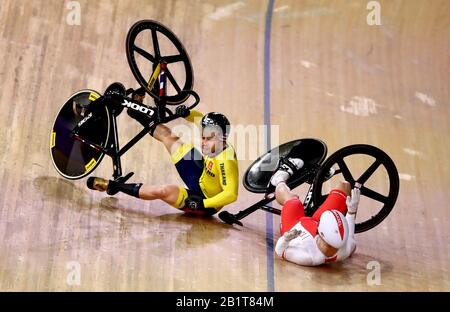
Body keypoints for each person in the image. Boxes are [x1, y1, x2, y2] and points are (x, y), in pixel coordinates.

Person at [87, 89, 239, 217]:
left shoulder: (226, 161)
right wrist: (186, 113)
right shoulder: (214, 133)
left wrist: (204, 203)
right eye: (202, 137)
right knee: (168, 135)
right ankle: (137, 113)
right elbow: (198, 118)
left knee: (163, 191)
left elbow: (231, 194)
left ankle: (113, 186)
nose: (203, 142)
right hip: (200, 175)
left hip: (205, 200)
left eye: (208, 139)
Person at [270, 158, 360, 266]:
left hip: (293, 227)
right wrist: (351, 210)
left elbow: (280, 251)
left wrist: (285, 238)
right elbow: (351, 240)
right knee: (345, 186)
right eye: (330, 246)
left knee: (293, 201)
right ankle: (319, 178)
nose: (330, 252)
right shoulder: (344, 250)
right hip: (314, 222)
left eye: (332, 248)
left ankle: (279, 180)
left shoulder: (308, 257)